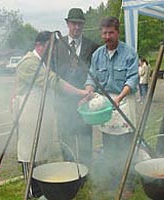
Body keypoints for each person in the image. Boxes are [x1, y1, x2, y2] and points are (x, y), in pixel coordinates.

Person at [16, 31, 89, 199]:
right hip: (30, 115)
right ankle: (32, 193)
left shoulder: (41, 62)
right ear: (39, 46)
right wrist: (81, 92)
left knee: (42, 154)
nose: (53, 53)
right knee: (30, 154)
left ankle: (41, 191)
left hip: (42, 115)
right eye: (50, 49)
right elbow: (54, 81)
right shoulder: (29, 63)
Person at [84, 16, 139, 196]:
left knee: (126, 146)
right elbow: (91, 77)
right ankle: (115, 181)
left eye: (111, 33)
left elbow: (133, 78)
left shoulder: (129, 53)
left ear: (118, 32)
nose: (107, 37)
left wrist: (120, 97)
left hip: (124, 101)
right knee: (109, 144)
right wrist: (88, 91)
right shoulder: (97, 54)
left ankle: (128, 184)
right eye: (104, 33)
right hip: (106, 103)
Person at [52, 8, 98, 167]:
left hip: (84, 100)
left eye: (80, 24)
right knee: (65, 137)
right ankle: (69, 170)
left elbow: (95, 73)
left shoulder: (92, 46)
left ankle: (87, 171)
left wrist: (89, 93)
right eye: (73, 23)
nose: (77, 27)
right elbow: (51, 73)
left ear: (83, 25)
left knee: (85, 136)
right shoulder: (57, 45)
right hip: (63, 102)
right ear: (67, 24)